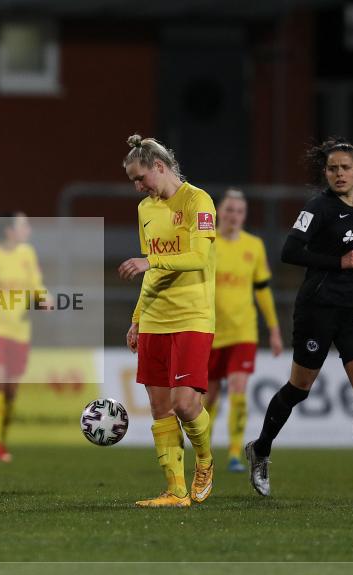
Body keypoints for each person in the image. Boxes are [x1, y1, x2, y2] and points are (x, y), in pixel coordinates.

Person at [246, 138, 353, 500]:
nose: (338, 174)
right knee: (299, 388)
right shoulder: (318, 208)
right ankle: (261, 448)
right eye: (332, 169)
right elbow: (289, 251)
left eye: (345, 168)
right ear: (326, 174)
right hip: (318, 308)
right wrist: (336, 262)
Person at [118, 134, 216, 508]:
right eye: (133, 182)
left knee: (186, 405)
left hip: (192, 315)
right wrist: (137, 318)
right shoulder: (146, 209)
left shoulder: (197, 200)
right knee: (160, 407)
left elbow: (197, 258)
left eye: (140, 178)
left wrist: (150, 261)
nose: (138, 187)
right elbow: (152, 273)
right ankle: (175, 491)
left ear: (159, 167)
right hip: (155, 317)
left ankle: (205, 460)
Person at [206, 189, 283, 473]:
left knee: (238, 389)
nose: (233, 215)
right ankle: (206, 452)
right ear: (218, 212)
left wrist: (274, 330)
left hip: (244, 331)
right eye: (229, 210)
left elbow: (262, 291)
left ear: (245, 215)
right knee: (209, 396)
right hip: (210, 330)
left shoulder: (254, 245)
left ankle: (236, 453)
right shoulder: (207, 242)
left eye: (239, 211)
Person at [0, 212, 46, 462]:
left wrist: (44, 298)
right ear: (9, 230)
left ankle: (1, 440)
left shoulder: (27, 254)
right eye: (24, 225)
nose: (28, 230)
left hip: (19, 331)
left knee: (11, 390)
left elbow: (36, 285)